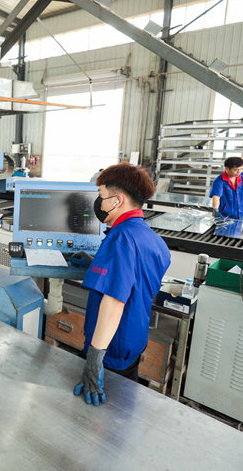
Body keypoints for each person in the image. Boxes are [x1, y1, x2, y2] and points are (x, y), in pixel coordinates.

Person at [74, 163, 171, 406]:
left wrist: (94, 362)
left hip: (110, 349)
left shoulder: (120, 238)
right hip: (133, 343)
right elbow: (135, 282)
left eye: (101, 196)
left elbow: (114, 303)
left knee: (98, 415)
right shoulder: (153, 239)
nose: (99, 204)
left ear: (118, 201)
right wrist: (96, 264)